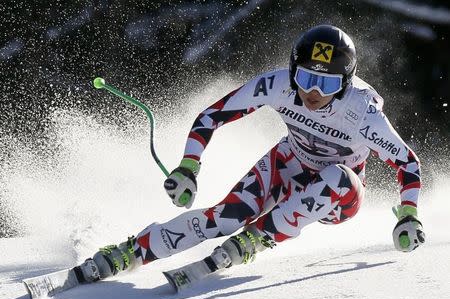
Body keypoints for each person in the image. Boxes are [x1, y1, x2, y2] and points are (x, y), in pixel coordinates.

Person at [78, 25, 425, 282]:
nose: (314, 93)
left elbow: (407, 162)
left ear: (346, 83)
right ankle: (133, 250)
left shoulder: (362, 112)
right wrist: (188, 166)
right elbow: (211, 116)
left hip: (337, 199)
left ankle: (259, 238)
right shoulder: (277, 85)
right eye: (305, 78)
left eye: (329, 84)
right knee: (225, 218)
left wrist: (408, 214)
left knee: (337, 177)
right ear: (292, 71)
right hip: (287, 165)